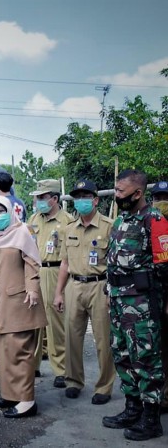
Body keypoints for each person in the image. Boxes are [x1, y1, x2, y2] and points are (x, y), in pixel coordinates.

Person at [102, 169, 166, 441]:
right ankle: (132, 408)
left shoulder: (155, 221)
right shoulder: (120, 221)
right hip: (118, 301)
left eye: (120, 192)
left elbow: (164, 267)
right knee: (122, 354)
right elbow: (113, 261)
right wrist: (109, 290)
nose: (116, 195)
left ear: (137, 193)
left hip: (141, 304)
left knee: (146, 359)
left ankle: (151, 420)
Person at [0, 196, 47, 418]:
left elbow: (32, 264)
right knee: (4, 352)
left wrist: (33, 290)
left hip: (20, 302)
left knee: (21, 352)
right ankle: (10, 395)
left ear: (10, 211)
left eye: (1, 211)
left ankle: (27, 401)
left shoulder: (22, 233)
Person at [52, 180, 114, 405]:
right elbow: (64, 264)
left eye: (85, 196)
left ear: (96, 200)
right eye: (77, 197)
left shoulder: (109, 226)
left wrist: (111, 292)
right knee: (72, 338)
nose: (81, 201)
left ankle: (104, 386)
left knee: (103, 339)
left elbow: (116, 264)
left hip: (100, 286)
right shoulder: (69, 229)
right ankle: (73, 381)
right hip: (74, 286)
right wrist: (58, 293)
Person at [28, 179, 74, 388]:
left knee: (56, 322)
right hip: (36, 271)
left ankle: (61, 369)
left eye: (42, 197)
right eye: (37, 198)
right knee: (33, 321)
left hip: (57, 270)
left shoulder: (67, 221)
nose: (38, 201)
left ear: (54, 199)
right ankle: (33, 364)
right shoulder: (34, 219)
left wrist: (62, 289)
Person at [151, 180, 168, 415]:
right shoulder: (152, 224)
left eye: (166, 198)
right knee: (160, 349)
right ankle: (163, 396)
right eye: (158, 198)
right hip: (155, 297)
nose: (162, 203)